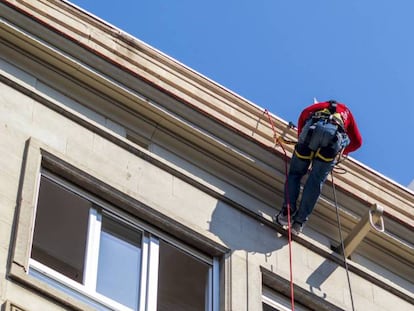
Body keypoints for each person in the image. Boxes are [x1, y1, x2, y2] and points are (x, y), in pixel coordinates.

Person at [276, 100, 362, 235]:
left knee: (296, 174)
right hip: (332, 143)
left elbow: (304, 114)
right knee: (315, 181)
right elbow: (357, 142)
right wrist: (342, 151)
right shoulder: (347, 114)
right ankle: (298, 223)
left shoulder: (324, 105)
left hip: (310, 135)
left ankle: (287, 211)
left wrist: (301, 137)